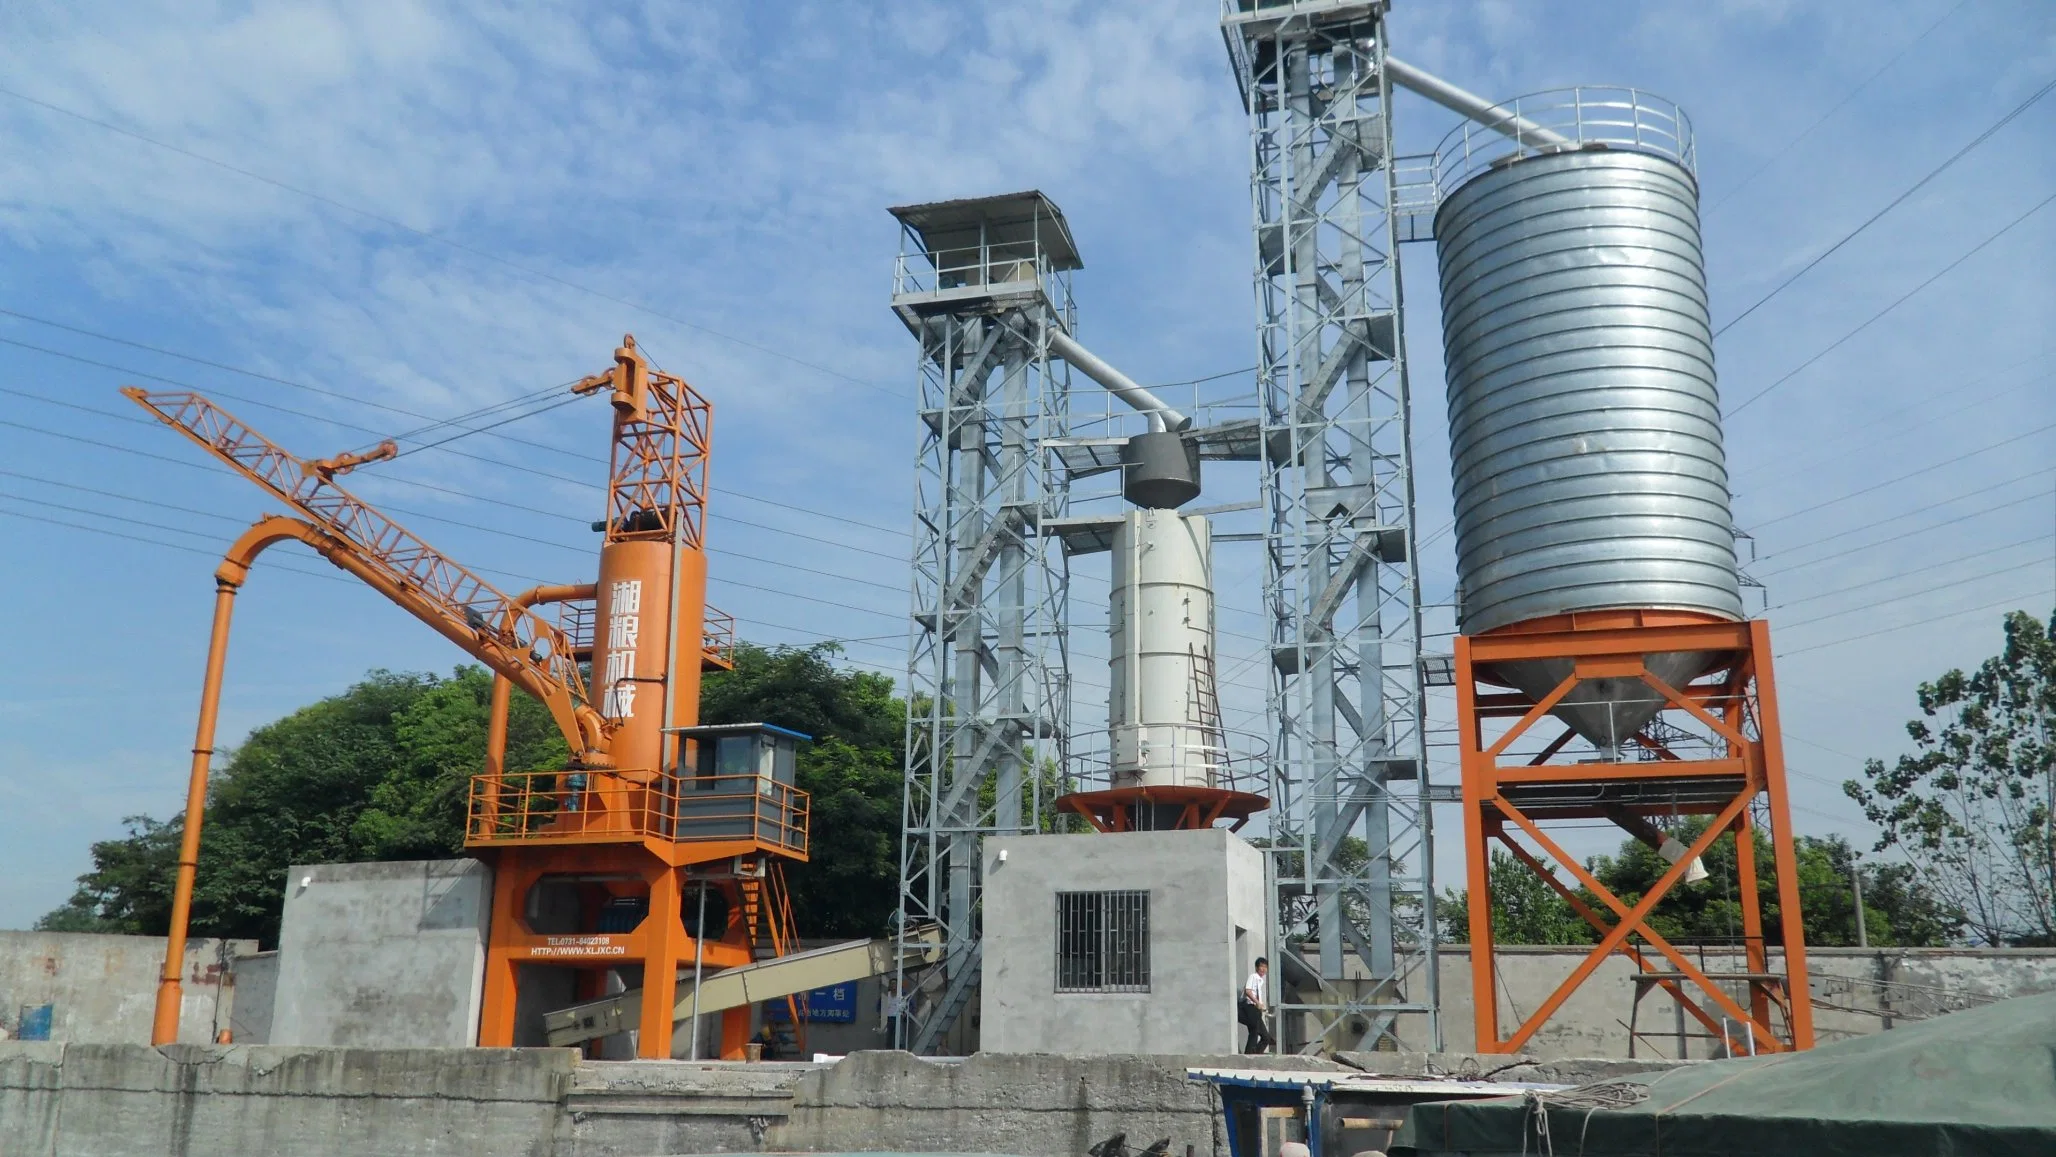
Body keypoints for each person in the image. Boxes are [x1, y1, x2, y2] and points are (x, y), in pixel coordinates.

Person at [1240, 957, 1275, 1054]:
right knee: (1254, 1029)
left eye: (1265, 967)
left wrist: (1260, 1005)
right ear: (1256, 968)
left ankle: (1256, 1055)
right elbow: (1248, 991)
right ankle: (1249, 1054)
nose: (1263, 969)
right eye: (1261, 966)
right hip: (1249, 1006)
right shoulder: (1253, 976)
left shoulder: (1260, 980)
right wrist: (1257, 1002)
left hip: (1256, 1009)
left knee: (1266, 1038)